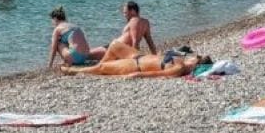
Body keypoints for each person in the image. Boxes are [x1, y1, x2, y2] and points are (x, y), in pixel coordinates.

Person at [62, 51, 212, 78]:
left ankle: (73, 71)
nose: (193, 56)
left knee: (102, 68)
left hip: (135, 66)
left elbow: (157, 74)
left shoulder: (180, 68)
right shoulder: (181, 60)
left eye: (196, 58)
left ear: (196, 64)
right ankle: (86, 69)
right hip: (137, 58)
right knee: (114, 46)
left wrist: (137, 75)